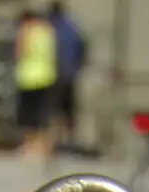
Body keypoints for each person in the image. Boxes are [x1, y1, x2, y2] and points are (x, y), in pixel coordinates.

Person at [13, 8, 58, 158]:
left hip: (28, 76)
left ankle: (29, 145)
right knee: (43, 112)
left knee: (28, 114)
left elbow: (20, 51)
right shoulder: (47, 30)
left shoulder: (26, 31)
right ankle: (43, 145)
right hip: (46, 75)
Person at [50, 2, 87, 148]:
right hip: (70, 73)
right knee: (69, 109)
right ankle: (69, 138)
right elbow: (83, 47)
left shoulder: (53, 28)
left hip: (56, 74)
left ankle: (58, 139)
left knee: (57, 109)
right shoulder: (72, 27)